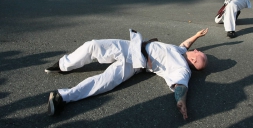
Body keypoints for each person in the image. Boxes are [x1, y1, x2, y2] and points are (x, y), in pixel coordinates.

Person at [45, 28, 209, 120]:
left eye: (199, 52)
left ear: (194, 61)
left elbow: (181, 86)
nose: (196, 49)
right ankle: (62, 64)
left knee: (104, 82)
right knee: (93, 46)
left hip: (137, 64)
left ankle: (63, 97)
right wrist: (196, 35)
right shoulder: (180, 51)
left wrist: (181, 101)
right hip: (131, 47)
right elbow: (185, 44)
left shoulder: (183, 70)